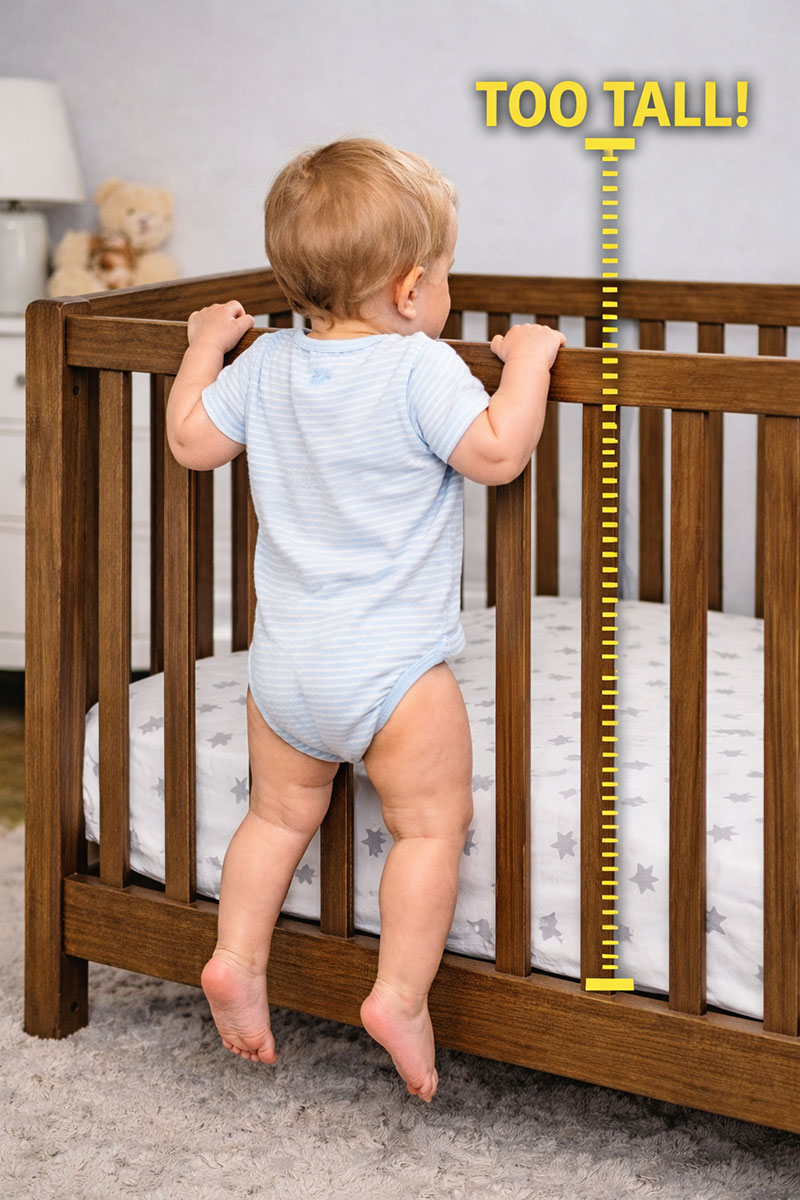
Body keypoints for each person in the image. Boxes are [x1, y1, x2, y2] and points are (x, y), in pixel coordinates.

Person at [166, 138, 565, 1103]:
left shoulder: (264, 372)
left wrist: (200, 351)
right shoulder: (418, 368)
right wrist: (532, 364)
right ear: (409, 286)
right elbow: (500, 453)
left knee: (275, 816)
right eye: (448, 276)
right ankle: (397, 993)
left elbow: (188, 442)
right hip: (391, 673)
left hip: (289, 669)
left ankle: (237, 958)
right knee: (431, 827)